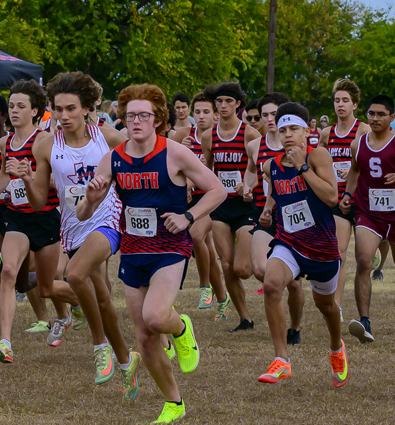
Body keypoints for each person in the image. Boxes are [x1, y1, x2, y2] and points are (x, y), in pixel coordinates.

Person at [79, 83, 225, 424]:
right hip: (133, 251)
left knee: (156, 317)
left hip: (170, 248)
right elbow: (85, 214)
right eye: (130, 116)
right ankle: (174, 403)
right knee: (144, 338)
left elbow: (217, 189)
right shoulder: (113, 159)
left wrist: (188, 216)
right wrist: (89, 196)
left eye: (144, 115)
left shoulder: (174, 153)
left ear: (157, 119)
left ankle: (181, 328)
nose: (136, 122)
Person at [11, 71, 139, 393]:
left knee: (75, 274)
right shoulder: (45, 147)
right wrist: (27, 179)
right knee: (104, 299)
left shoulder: (108, 138)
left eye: (71, 108)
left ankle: (100, 348)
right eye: (58, 109)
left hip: (107, 219)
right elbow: (39, 202)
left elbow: (139, 168)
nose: (64, 116)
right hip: (72, 226)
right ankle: (126, 361)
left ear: (85, 108)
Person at [256, 102, 348, 388]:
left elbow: (332, 197)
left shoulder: (318, 155)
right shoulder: (271, 165)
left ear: (308, 131)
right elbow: (277, 192)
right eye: (282, 130)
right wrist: (269, 207)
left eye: (293, 128)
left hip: (321, 247)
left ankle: (336, 348)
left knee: (327, 307)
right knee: (271, 285)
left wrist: (303, 167)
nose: (287, 135)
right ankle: (282, 360)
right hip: (289, 242)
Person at [0, 79, 72, 361]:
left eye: (21, 106)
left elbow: (58, 181)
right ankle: (5, 342)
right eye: (11, 106)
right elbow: (4, 172)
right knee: (8, 271)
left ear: (35, 111)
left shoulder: (46, 141)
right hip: (17, 216)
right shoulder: (5, 141)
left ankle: (86, 307)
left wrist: (30, 176)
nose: (14, 111)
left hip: (45, 216)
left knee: (47, 287)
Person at [341, 95, 395, 343]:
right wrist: (347, 194)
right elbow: (355, 170)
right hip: (368, 213)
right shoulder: (359, 144)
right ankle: (364, 321)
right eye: (371, 114)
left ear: (392, 118)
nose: (375, 119)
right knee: (364, 261)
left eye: (380, 114)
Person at [245, 92, 305, 344]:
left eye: (275, 114)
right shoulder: (255, 146)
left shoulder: (298, 146)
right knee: (261, 269)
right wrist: (247, 187)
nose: (270, 119)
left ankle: (295, 327)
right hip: (267, 215)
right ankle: (275, 293)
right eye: (265, 115)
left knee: (293, 284)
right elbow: (251, 172)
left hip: (296, 220)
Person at [201, 82, 262, 332]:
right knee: (226, 265)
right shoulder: (209, 136)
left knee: (242, 269)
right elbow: (206, 169)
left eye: (228, 101)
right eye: (219, 101)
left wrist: (248, 184)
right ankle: (245, 318)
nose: (223, 106)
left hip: (246, 206)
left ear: (238, 104)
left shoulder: (249, 134)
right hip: (221, 206)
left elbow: (264, 168)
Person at [172, 93, 229, 316]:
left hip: (211, 197)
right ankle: (223, 299)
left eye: (206, 112)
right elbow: (172, 168)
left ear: (216, 115)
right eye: (198, 112)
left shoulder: (218, 137)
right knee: (208, 251)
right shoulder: (183, 135)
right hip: (189, 197)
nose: (201, 116)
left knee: (195, 235)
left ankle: (204, 286)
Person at [319, 78, 371, 319]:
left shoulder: (363, 130)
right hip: (337, 201)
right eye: (337, 100)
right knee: (338, 252)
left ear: (355, 105)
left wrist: (352, 171)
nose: (340, 105)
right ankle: (336, 305)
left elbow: (372, 163)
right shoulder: (326, 133)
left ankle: (377, 246)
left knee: (363, 260)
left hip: (361, 200)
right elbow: (318, 163)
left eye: (345, 101)